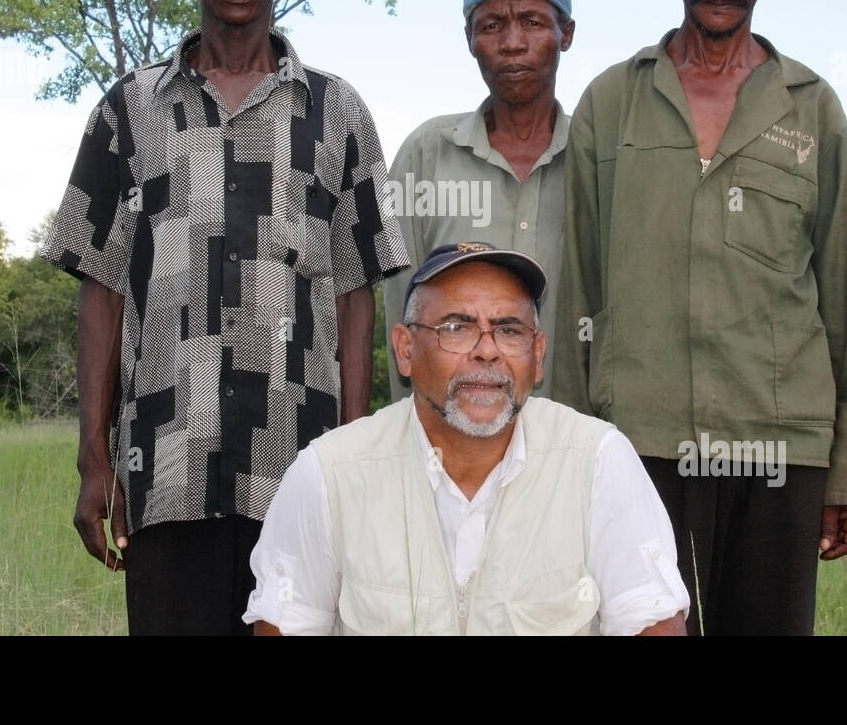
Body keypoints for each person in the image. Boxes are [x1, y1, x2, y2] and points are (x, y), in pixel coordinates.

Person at [40, 0, 408, 635]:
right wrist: (94, 460)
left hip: (301, 475)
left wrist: (355, 459)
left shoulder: (337, 112)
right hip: (165, 468)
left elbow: (355, 293)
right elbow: (102, 290)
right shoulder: (128, 110)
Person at [552, 0, 847, 635]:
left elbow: (845, 295)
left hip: (779, 452)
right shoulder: (612, 103)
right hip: (639, 448)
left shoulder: (812, 110)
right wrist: (562, 461)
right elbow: (579, 297)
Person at [245, 241, 690, 635]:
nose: (487, 349)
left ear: (537, 356)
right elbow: (287, 624)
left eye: (509, 330)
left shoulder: (595, 459)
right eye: (456, 327)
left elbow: (651, 619)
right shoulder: (330, 473)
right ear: (405, 350)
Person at [383, 0, 575, 401]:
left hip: (571, 444)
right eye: (491, 25)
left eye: (532, 21)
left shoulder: (598, 157)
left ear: (565, 34)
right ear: (470, 38)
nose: (512, 43)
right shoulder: (426, 154)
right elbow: (400, 312)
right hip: (450, 440)